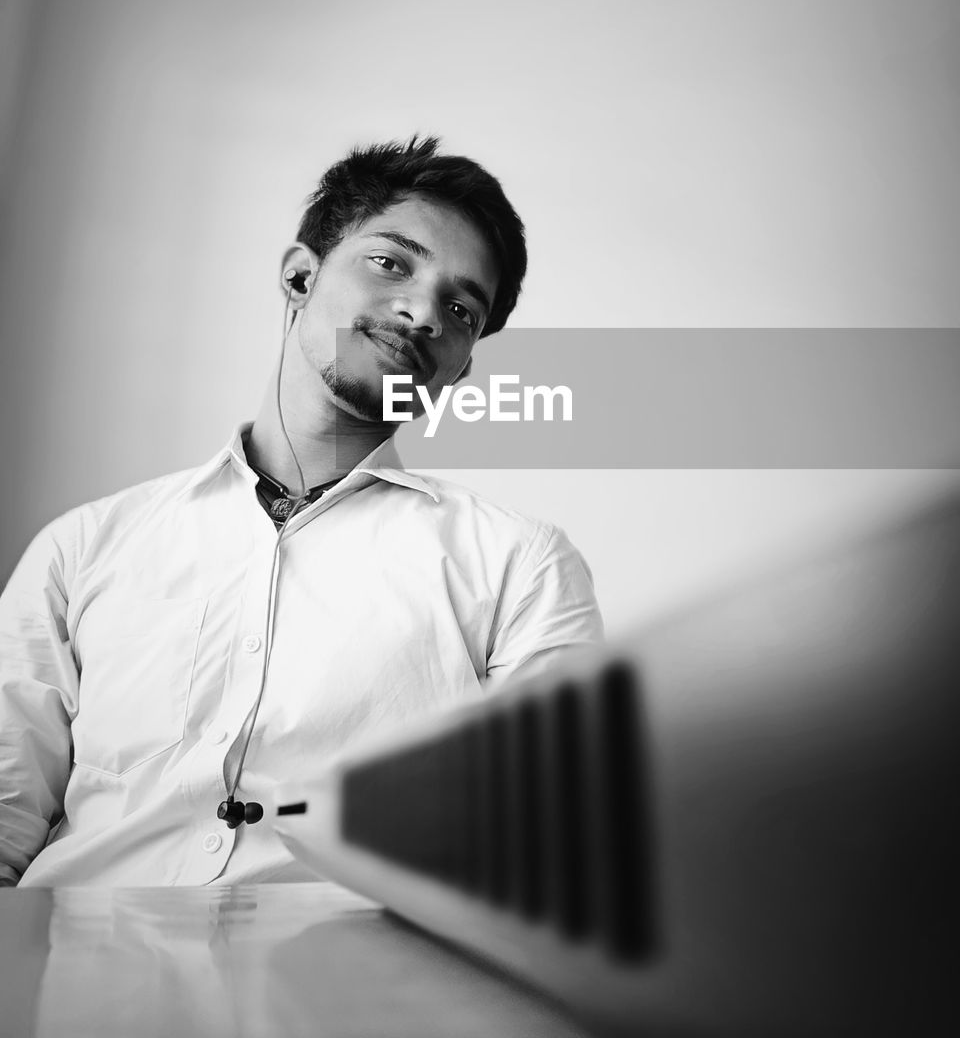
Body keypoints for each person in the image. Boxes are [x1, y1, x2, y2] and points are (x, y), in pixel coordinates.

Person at [0, 136, 602, 887]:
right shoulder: (81, 549)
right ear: (299, 275)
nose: (422, 313)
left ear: (461, 367)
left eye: (460, 309)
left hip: (343, 992)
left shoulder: (522, 566)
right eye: (391, 263)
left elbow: (548, 850)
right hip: (72, 981)